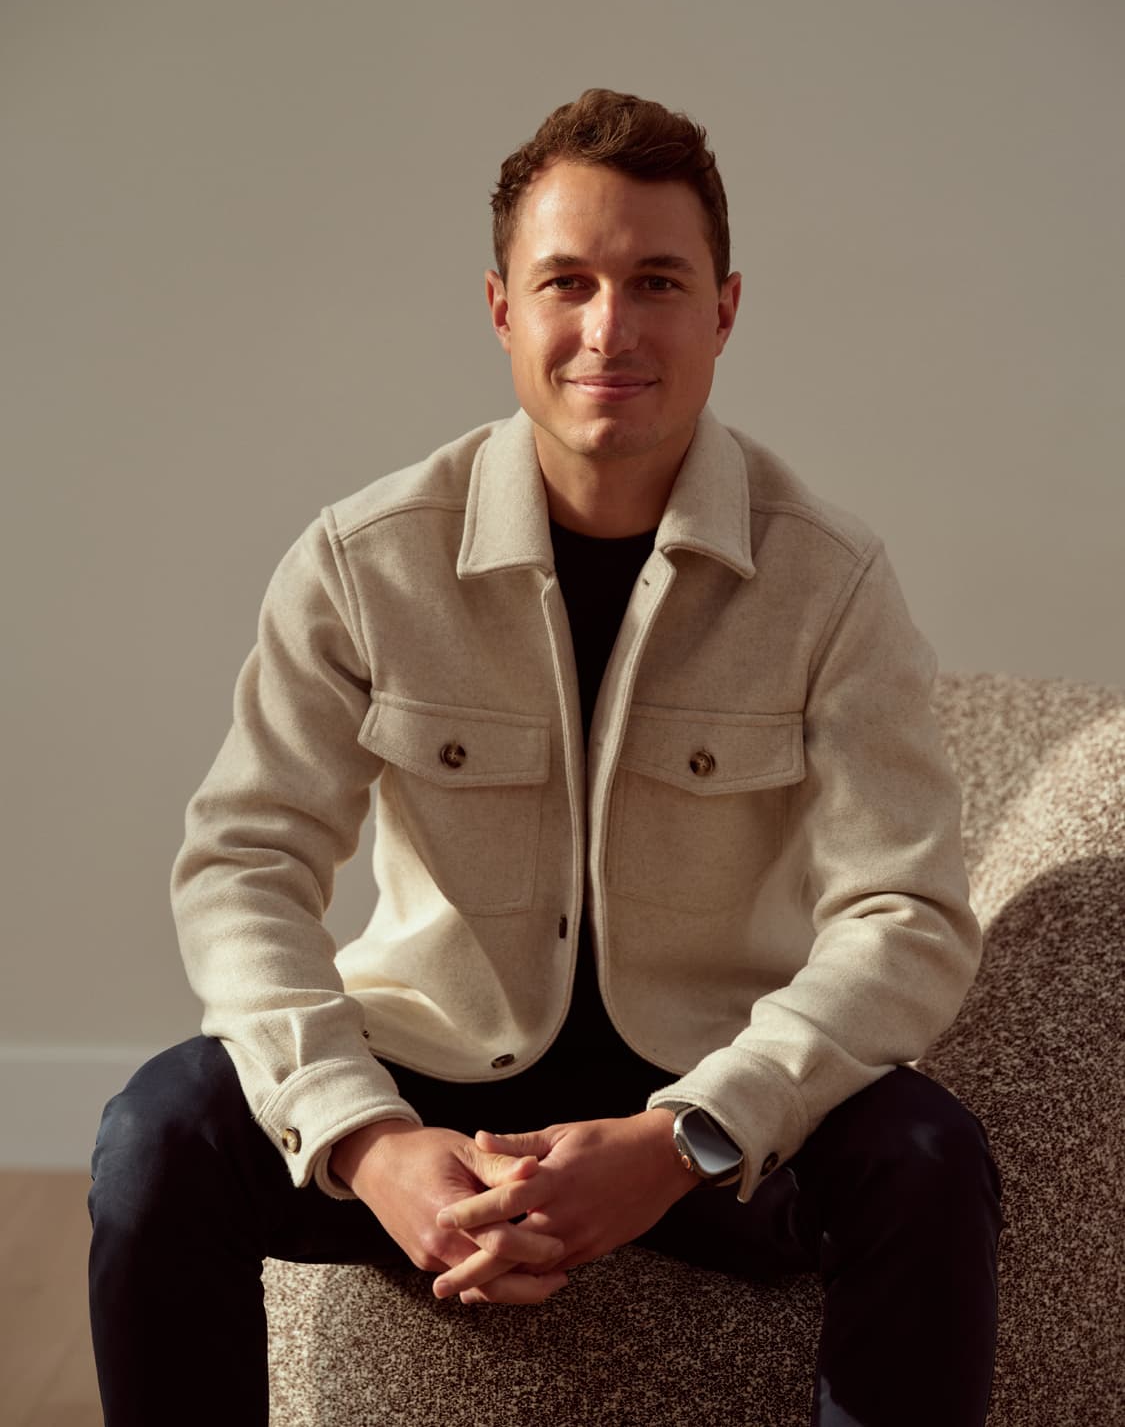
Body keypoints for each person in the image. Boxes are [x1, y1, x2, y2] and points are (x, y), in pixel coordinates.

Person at [88, 88, 1003, 1426]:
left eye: (656, 282)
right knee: (154, 1141)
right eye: (565, 282)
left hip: (706, 1097)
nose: (608, 328)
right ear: (501, 308)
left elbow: (905, 914)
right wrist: (369, 1139)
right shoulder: (362, 559)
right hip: (425, 1072)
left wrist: (686, 1136)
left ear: (724, 310)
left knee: (928, 1159)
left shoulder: (831, 582)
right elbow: (244, 864)